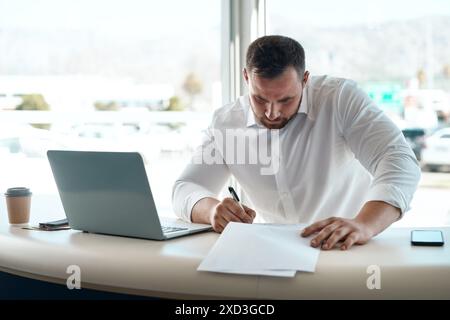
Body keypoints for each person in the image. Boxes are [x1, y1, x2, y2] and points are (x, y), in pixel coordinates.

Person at [172, 35, 421, 250]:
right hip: (273, 254)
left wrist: (364, 223)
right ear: (246, 77)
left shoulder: (340, 99)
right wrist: (213, 211)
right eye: (260, 99)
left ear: (305, 80)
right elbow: (185, 187)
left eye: (285, 100)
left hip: (347, 249)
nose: (271, 113)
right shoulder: (226, 122)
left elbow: (399, 161)